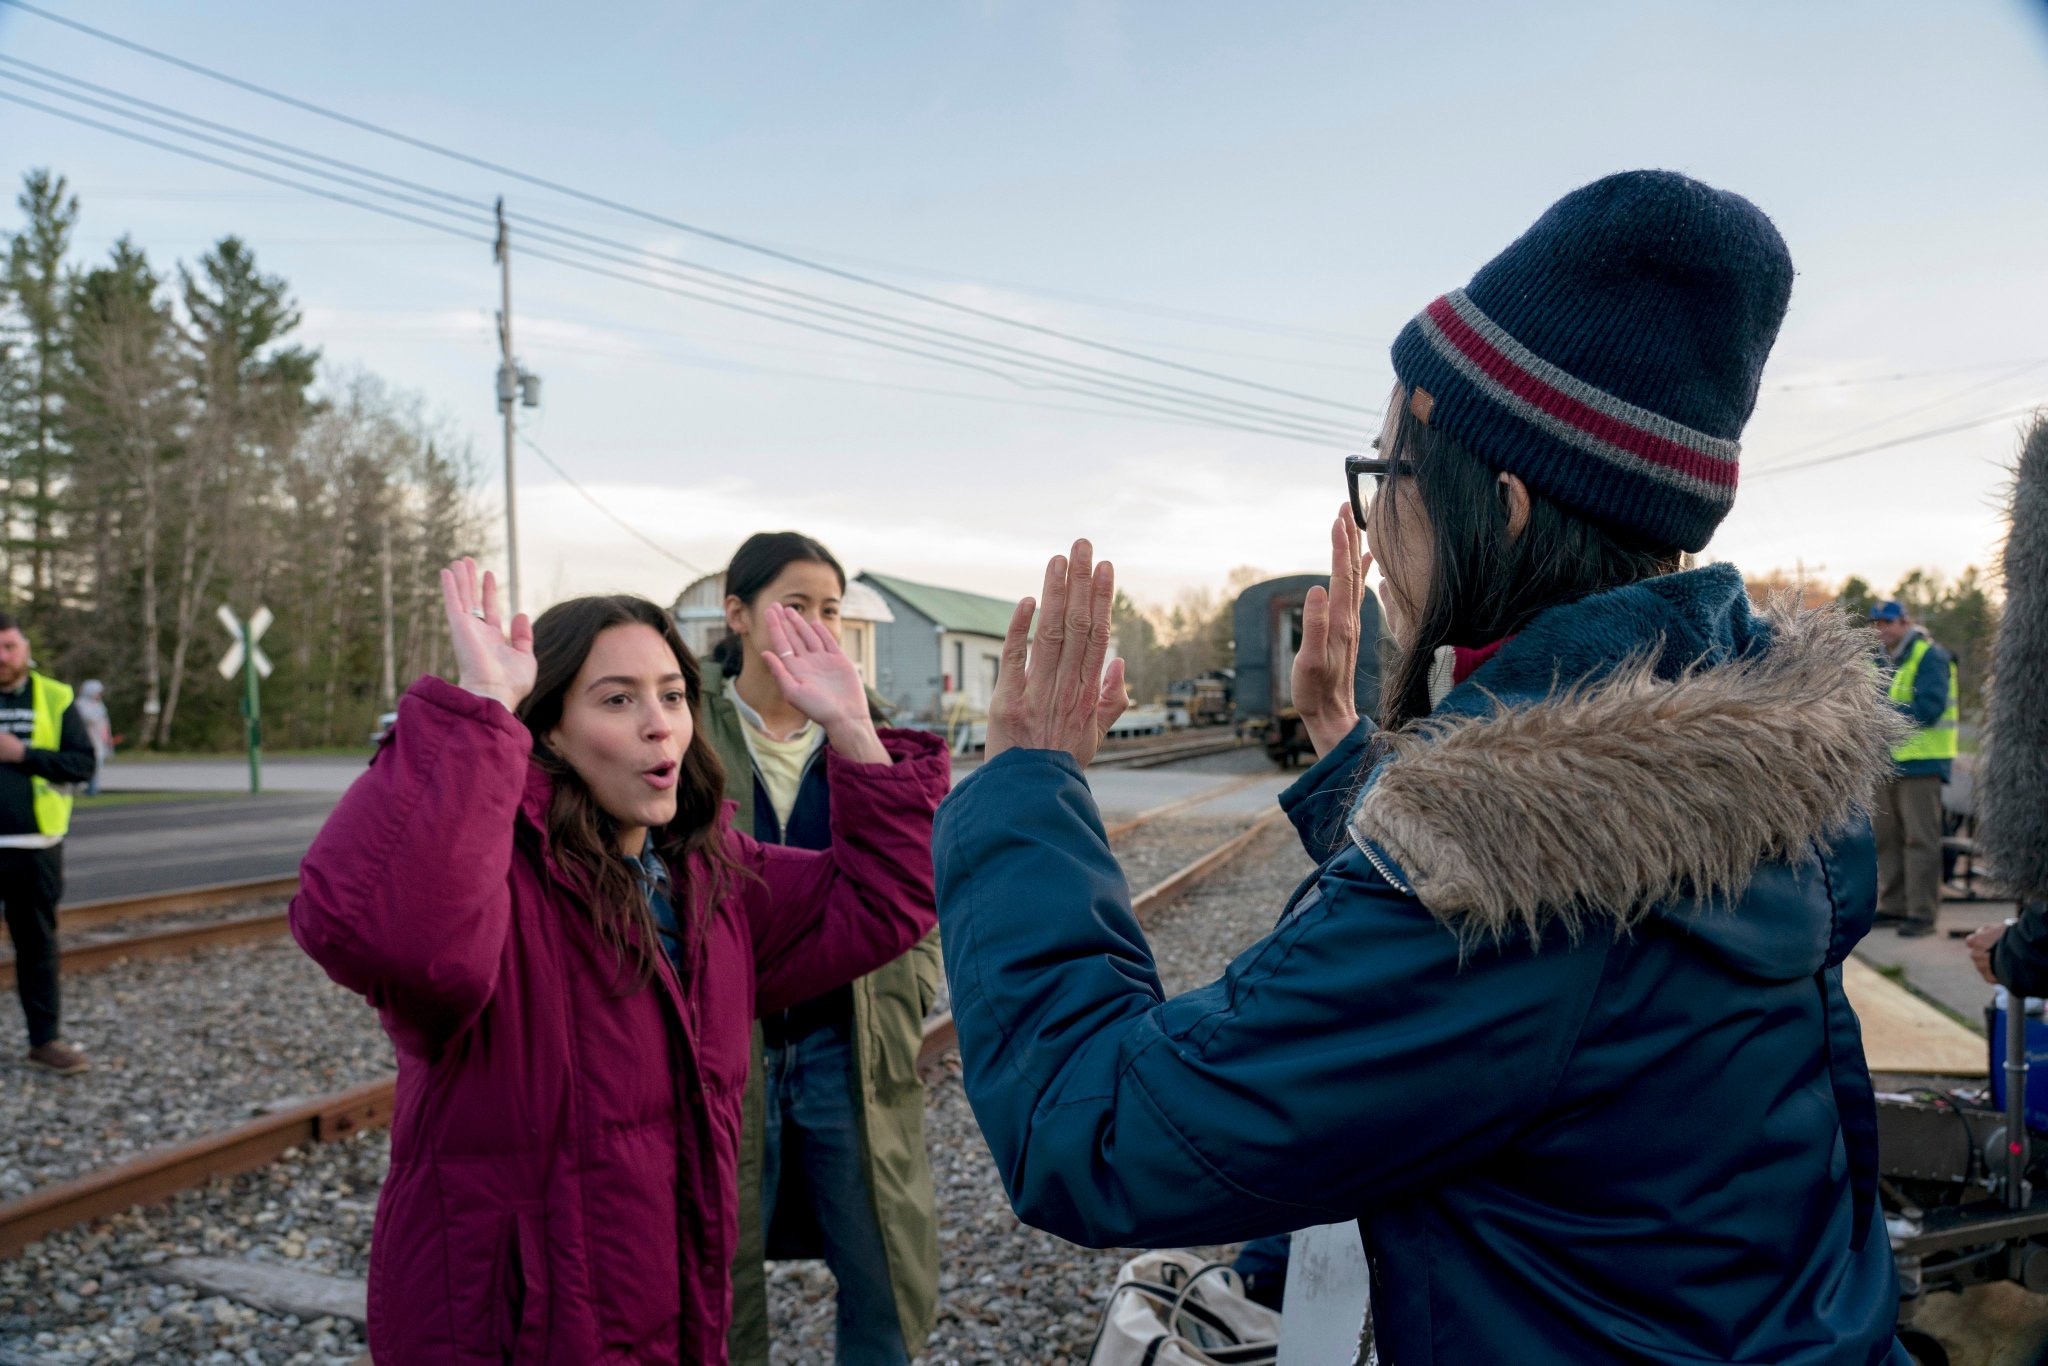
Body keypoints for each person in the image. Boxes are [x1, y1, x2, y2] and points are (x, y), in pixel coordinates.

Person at [934, 172, 1910, 1364]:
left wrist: (1025, 786)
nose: (1379, 522)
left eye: (1390, 473)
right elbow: (1510, 969)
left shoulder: (1519, 899)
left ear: (1497, 504)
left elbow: (1098, 1130)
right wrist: (1354, 756)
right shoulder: (1756, 762)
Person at [289, 559, 948, 1364]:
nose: (659, 724)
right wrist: (481, 714)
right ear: (548, 727)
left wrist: (852, 730)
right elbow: (379, 932)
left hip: (673, 1318)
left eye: (672, 695)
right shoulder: (493, 881)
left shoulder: (711, 879)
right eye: (617, 699)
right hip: (517, 1333)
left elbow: (884, 899)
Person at [708, 533, 941, 1366]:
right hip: (724, 1052)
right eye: (793, 604)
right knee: (713, 1270)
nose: (816, 624)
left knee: (879, 1267)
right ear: (736, 614)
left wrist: (912, 982)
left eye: (830, 609)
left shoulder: (862, 731)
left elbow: (919, 873)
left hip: (846, 1043)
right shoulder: (685, 727)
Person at [0, 614, 98, 1075]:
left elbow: (81, 764)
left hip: (33, 845)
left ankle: (45, 1040)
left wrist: (23, 755)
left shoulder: (55, 697)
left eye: (9, 646)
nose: (2, 657)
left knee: (36, 945)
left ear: (24, 647)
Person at [1869, 599, 1957, 938]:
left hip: (1922, 763)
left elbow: (1929, 708)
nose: (1882, 629)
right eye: (1876, 623)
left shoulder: (1929, 655)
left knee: (1920, 840)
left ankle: (1922, 913)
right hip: (1887, 762)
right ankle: (1893, 906)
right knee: (1886, 838)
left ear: (1906, 622)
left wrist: (1882, 714)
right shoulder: (1877, 658)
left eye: (1888, 622)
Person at [74, 681, 113, 798]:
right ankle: (74, 786)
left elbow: (104, 722)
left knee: (96, 765)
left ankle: (92, 789)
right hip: (83, 740)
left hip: (98, 741)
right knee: (81, 764)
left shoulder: (100, 705)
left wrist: (107, 737)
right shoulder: (80, 704)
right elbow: (87, 719)